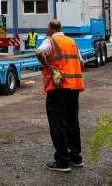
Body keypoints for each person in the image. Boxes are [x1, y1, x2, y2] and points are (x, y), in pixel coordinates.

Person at [36, 19, 85, 172]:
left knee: (57, 123)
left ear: (49, 29)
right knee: (72, 122)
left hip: (57, 88)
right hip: (74, 88)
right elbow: (81, 63)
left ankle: (62, 161)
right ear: (62, 28)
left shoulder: (50, 41)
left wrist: (49, 68)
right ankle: (75, 157)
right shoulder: (72, 42)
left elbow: (39, 52)